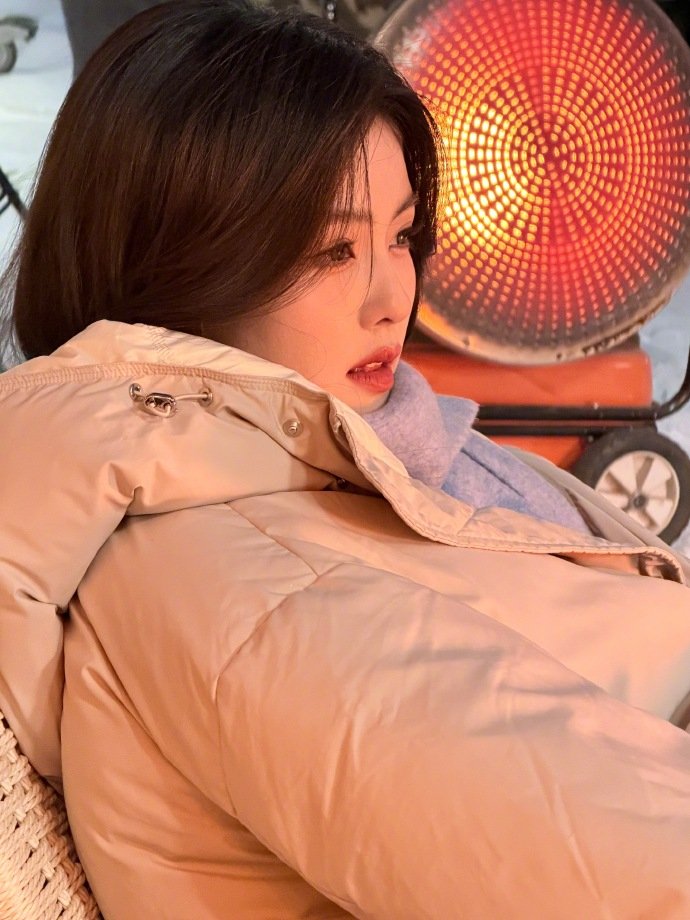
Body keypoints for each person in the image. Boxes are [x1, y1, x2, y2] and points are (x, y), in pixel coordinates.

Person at [4, 1, 690, 917]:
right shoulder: (227, 582)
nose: (391, 296)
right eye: (331, 249)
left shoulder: (338, 455)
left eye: (399, 236)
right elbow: (615, 865)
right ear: (175, 264)